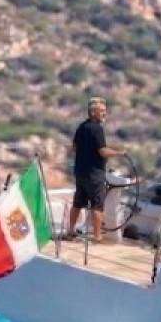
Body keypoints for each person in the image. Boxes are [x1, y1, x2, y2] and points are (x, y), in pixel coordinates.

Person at [65, 97, 122, 241]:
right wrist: (119, 153)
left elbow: (74, 147)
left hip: (80, 172)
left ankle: (71, 231)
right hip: (95, 174)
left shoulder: (81, 127)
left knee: (78, 203)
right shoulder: (97, 129)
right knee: (97, 205)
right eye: (101, 111)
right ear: (93, 112)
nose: (104, 114)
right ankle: (97, 236)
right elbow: (102, 151)